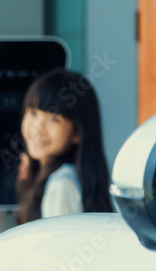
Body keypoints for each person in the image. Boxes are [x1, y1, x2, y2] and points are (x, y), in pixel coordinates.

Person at [14, 68, 114, 224]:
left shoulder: (62, 185)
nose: (38, 128)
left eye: (54, 118)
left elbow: (60, 248)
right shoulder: (58, 178)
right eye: (33, 113)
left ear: (77, 132)